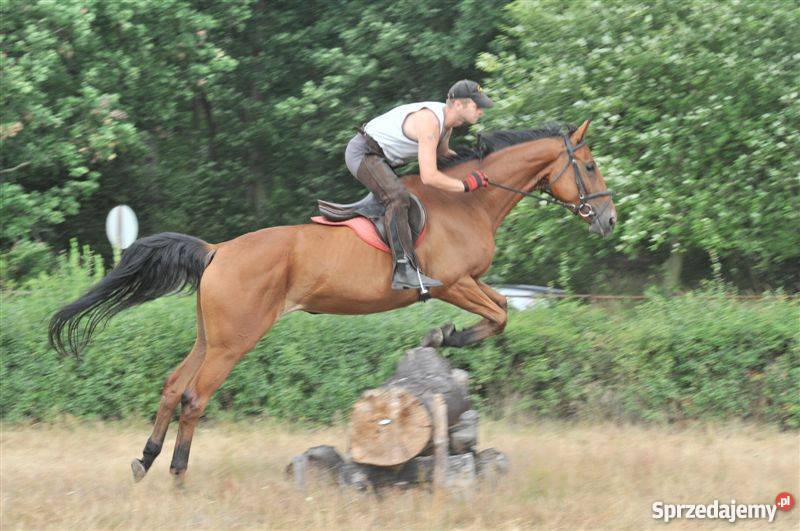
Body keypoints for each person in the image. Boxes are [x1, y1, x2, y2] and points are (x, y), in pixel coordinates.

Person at [344, 79, 493, 292]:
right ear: (458, 104)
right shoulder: (430, 122)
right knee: (398, 198)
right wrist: (465, 185)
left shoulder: (446, 124)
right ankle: (403, 270)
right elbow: (429, 176)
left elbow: (443, 155)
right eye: (476, 106)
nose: (481, 111)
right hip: (363, 154)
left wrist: (474, 168)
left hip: (380, 159)